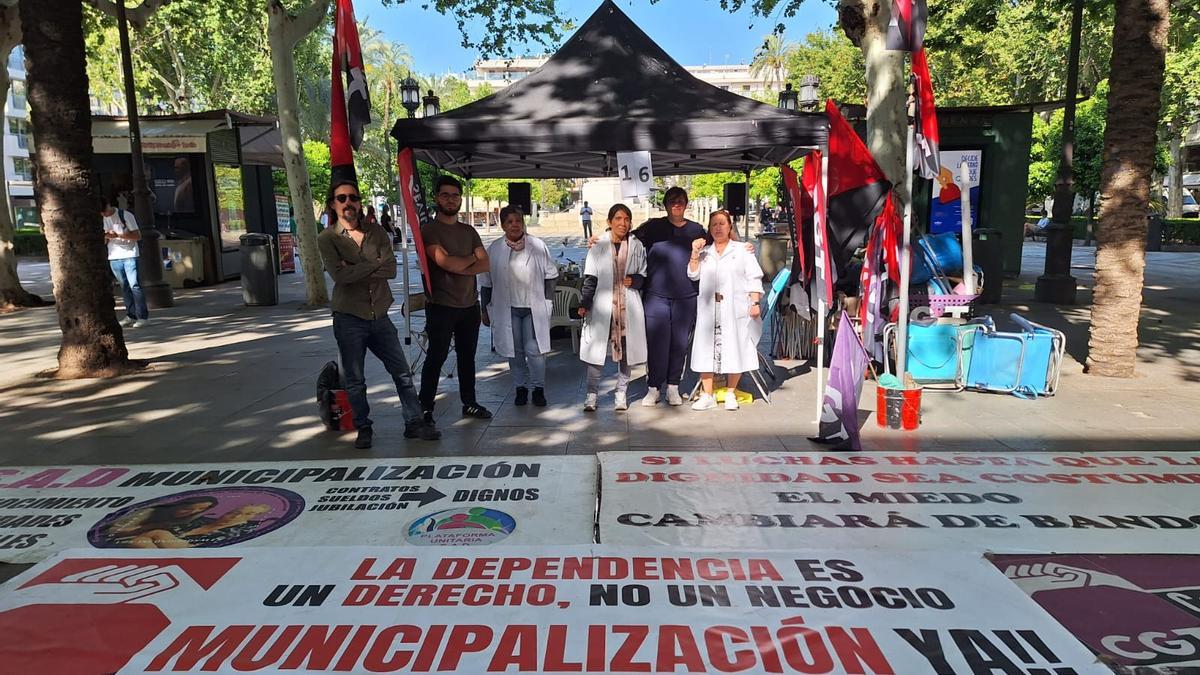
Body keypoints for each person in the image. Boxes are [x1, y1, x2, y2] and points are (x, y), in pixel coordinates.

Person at [317, 179, 440, 449]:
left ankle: (414, 422)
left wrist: (356, 266)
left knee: (402, 373)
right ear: (332, 204)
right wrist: (373, 264)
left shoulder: (377, 232)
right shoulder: (327, 238)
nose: (348, 203)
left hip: (380, 315)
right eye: (342, 198)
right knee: (355, 379)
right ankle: (363, 427)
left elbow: (391, 270)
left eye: (353, 197)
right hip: (349, 316)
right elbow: (340, 276)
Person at [419, 175, 493, 421]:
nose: (451, 200)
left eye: (455, 195)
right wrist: (469, 260)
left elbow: (486, 263)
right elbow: (444, 262)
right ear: (436, 198)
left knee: (467, 358)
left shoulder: (469, 230)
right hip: (441, 306)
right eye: (445, 195)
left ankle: (469, 403)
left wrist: (459, 264)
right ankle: (425, 407)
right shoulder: (429, 230)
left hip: (469, 305)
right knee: (436, 357)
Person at [630, 186, 707, 407]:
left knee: (679, 344)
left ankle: (673, 386)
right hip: (656, 296)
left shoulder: (697, 230)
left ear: (686, 204)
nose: (676, 204)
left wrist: (744, 246)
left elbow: (717, 247)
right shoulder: (653, 227)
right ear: (665, 204)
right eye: (672, 200)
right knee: (656, 343)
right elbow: (627, 240)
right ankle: (653, 387)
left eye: (681, 200)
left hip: (686, 296)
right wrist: (601, 241)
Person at [479, 206, 558, 407]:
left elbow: (551, 275)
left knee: (535, 350)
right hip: (507, 308)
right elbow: (486, 281)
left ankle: (538, 389)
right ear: (503, 225)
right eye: (509, 221)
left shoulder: (537, 245)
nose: (514, 224)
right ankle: (520, 388)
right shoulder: (495, 248)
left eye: (518, 220)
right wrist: (483, 309)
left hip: (533, 308)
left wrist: (548, 302)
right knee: (515, 351)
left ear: (523, 222)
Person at [687, 210, 765, 411]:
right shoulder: (706, 253)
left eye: (722, 223)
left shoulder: (742, 250)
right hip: (709, 307)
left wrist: (755, 302)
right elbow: (693, 275)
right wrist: (694, 254)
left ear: (730, 226)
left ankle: (731, 392)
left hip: (734, 306)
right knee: (705, 350)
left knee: (735, 346)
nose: (718, 228)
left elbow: (753, 277)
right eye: (714, 224)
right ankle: (707, 393)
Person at [578, 204, 648, 412]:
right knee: (596, 351)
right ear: (609, 222)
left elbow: (644, 276)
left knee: (626, 351)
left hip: (628, 305)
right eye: (618, 219)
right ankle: (591, 394)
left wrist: (634, 280)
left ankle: (621, 393)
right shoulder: (598, 244)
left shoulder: (636, 245)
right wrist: (585, 303)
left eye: (626, 219)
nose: (622, 223)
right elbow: (590, 277)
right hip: (603, 304)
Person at [130, 504, 274, 549]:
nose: (236, 516)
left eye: (246, 514)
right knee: (140, 539)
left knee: (157, 534)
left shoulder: (242, 530)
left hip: (197, 552)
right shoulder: (199, 521)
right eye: (234, 512)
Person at [102, 195, 150, 328]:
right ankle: (131, 314)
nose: (105, 214)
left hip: (129, 254)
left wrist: (118, 235)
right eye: (102, 213)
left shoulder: (125, 215)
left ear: (109, 205)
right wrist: (106, 236)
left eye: (105, 210)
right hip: (113, 255)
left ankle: (142, 316)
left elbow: (137, 236)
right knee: (124, 287)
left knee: (135, 285)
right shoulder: (102, 219)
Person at [103, 497, 218, 546]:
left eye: (201, 509)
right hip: (126, 540)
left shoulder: (193, 518)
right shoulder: (148, 512)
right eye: (188, 508)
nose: (192, 512)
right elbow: (112, 531)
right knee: (153, 537)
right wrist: (148, 527)